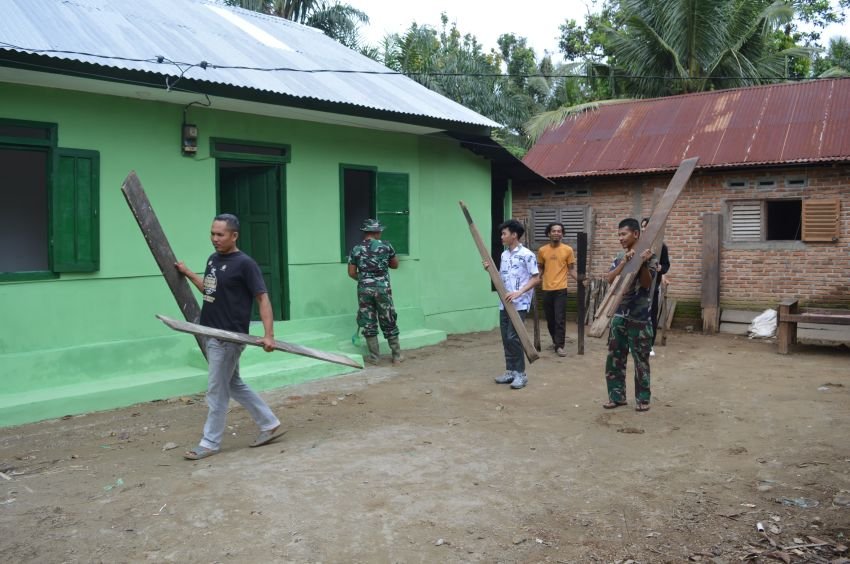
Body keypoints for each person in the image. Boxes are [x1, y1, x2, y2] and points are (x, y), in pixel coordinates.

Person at [175, 213, 283, 460]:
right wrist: (188, 272)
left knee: (216, 390)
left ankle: (210, 442)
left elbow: (262, 298)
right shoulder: (213, 259)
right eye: (212, 234)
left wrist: (269, 335)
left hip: (228, 338)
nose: (215, 239)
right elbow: (209, 290)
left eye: (220, 234)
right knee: (233, 384)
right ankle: (269, 423)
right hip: (212, 332)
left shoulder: (245, 264)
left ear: (234, 235)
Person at [603, 218, 657, 412]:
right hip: (619, 315)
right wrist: (624, 262)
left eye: (623, 234)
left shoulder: (650, 256)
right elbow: (609, 280)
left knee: (640, 359)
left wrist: (641, 263)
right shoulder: (620, 256)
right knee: (614, 358)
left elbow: (646, 284)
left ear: (635, 234)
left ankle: (643, 399)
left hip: (639, 317)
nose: (620, 238)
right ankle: (616, 397)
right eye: (618, 234)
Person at [486, 219, 540, 390]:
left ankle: (521, 374)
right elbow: (502, 278)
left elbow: (536, 278)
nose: (501, 236)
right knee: (505, 338)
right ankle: (510, 371)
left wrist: (520, 292)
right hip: (504, 303)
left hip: (519, 303)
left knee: (513, 337)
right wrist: (489, 270)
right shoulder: (504, 255)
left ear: (514, 235)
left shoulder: (527, 255)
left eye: (504, 233)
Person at [348, 218, 402, 365]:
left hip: (364, 289)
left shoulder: (356, 249)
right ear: (377, 232)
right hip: (383, 288)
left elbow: (352, 272)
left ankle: (375, 357)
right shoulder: (386, 246)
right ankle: (396, 356)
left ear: (365, 232)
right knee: (388, 318)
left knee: (368, 321)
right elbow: (395, 265)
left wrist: (365, 280)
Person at [537, 222, 579, 357]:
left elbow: (571, 269)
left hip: (561, 288)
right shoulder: (542, 250)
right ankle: (555, 341)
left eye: (559, 231)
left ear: (562, 234)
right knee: (550, 319)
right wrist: (536, 279)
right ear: (549, 233)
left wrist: (580, 279)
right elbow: (540, 268)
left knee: (559, 318)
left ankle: (560, 346)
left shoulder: (568, 250)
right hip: (546, 288)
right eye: (553, 231)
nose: (556, 233)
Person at [640, 217, 670, 357]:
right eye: (643, 227)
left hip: (653, 287)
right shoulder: (637, 245)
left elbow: (666, 265)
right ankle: (633, 343)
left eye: (647, 226)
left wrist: (660, 268)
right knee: (636, 315)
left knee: (651, 316)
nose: (644, 229)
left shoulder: (661, 247)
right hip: (637, 287)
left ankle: (649, 345)